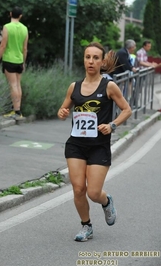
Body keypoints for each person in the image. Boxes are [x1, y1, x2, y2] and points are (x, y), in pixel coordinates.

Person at [57, 42, 132, 242]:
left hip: (99, 145)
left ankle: (107, 202)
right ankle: (86, 226)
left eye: (96, 58)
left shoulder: (109, 86)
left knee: (93, 192)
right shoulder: (75, 86)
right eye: (88, 57)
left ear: (102, 61)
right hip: (76, 144)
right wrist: (63, 112)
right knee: (78, 188)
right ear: (84, 60)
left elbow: (127, 110)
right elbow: (63, 110)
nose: (91, 61)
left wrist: (112, 125)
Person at [0, 6, 28, 121]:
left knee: (13, 85)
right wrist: (23, 62)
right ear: (20, 16)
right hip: (19, 60)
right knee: (18, 85)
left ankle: (16, 110)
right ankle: (18, 110)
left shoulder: (7, 27)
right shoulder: (24, 29)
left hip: (9, 59)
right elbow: (25, 48)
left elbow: (3, 45)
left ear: (10, 14)